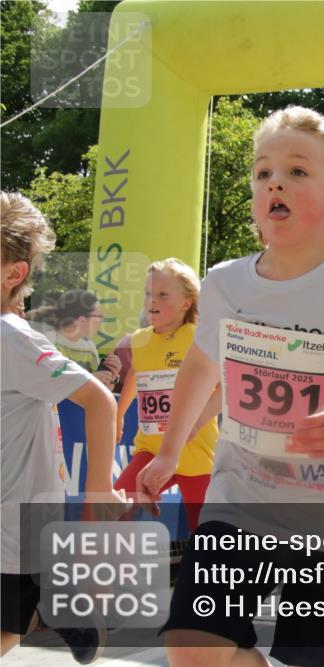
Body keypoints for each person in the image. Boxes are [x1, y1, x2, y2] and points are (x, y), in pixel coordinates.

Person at [134, 107, 324, 667]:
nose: (275, 183)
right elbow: (200, 367)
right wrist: (169, 451)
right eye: (263, 172)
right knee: (191, 645)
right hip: (240, 503)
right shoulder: (224, 282)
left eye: (297, 171)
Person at [1, 192, 125, 663]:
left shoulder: (12, 338)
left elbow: (98, 399)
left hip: (15, 524)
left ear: (14, 274)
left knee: (9, 622)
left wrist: (99, 489)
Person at [113, 259, 218, 530]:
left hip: (196, 452)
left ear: (186, 303)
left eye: (162, 294)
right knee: (111, 510)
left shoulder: (200, 338)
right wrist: (119, 414)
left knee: (206, 531)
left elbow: (225, 387)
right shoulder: (139, 340)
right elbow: (136, 373)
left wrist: (197, 422)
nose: (152, 300)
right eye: (148, 293)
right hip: (151, 449)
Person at [28, 289, 120, 389]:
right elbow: (46, 385)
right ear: (81, 320)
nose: (102, 321)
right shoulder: (48, 342)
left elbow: (101, 391)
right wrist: (90, 379)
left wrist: (111, 376)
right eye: (99, 316)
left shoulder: (89, 347)